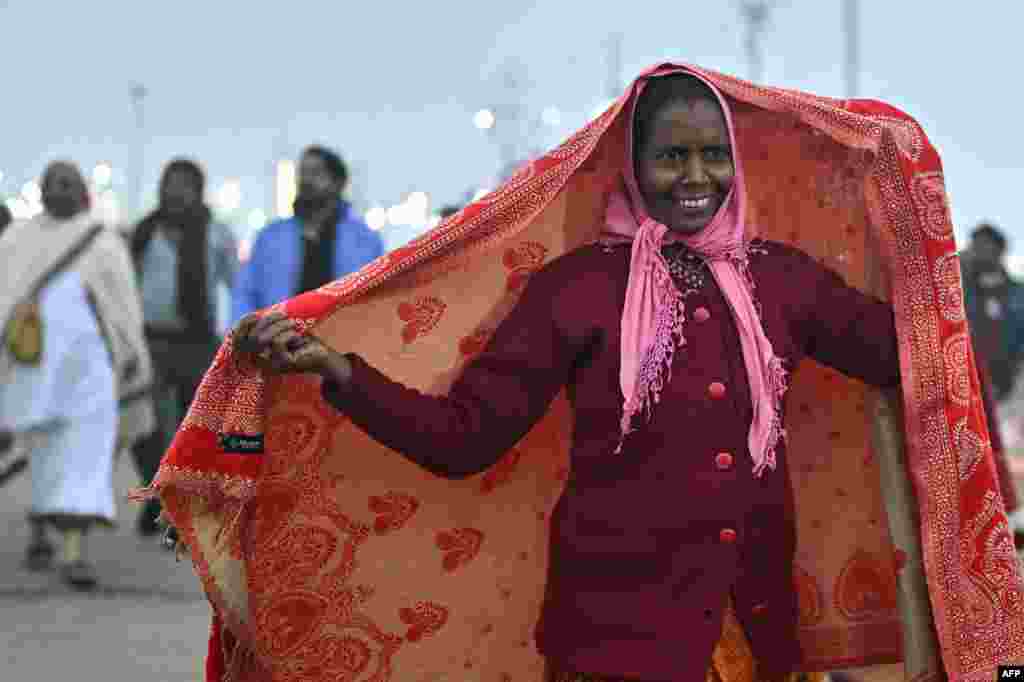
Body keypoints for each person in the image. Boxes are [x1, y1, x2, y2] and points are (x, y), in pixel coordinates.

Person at [137, 64, 1022, 682]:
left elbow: (916, 358)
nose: (696, 176)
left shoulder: (782, 281)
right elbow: (463, 440)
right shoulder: (580, 288)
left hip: (758, 635)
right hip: (613, 645)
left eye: (713, 155)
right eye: (672, 155)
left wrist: (906, 223)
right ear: (632, 166)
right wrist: (337, 367)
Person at [1, 161, 154, 589]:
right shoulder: (16, 239)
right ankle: (38, 531)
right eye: (53, 183)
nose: (60, 190)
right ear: (42, 190)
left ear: (84, 191)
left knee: (82, 457)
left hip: (89, 371)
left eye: (69, 183)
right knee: (36, 450)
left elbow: (125, 308)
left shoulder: (104, 243)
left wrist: (130, 355)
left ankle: (74, 553)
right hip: (29, 367)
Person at [129, 159, 238, 537]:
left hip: (198, 343)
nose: (173, 192)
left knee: (193, 431)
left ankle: (178, 507)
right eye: (168, 184)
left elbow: (236, 284)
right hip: (151, 343)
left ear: (197, 191)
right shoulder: (143, 233)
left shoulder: (216, 234)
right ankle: (157, 495)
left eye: (183, 185)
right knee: (149, 429)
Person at [231, 145, 384, 323]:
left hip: (341, 345)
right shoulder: (270, 237)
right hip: (278, 342)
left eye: (316, 172)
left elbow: (378, 299)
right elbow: (244, 294)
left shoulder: (364, 240)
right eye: (302, 172)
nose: (306, 180)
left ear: (338, 182)